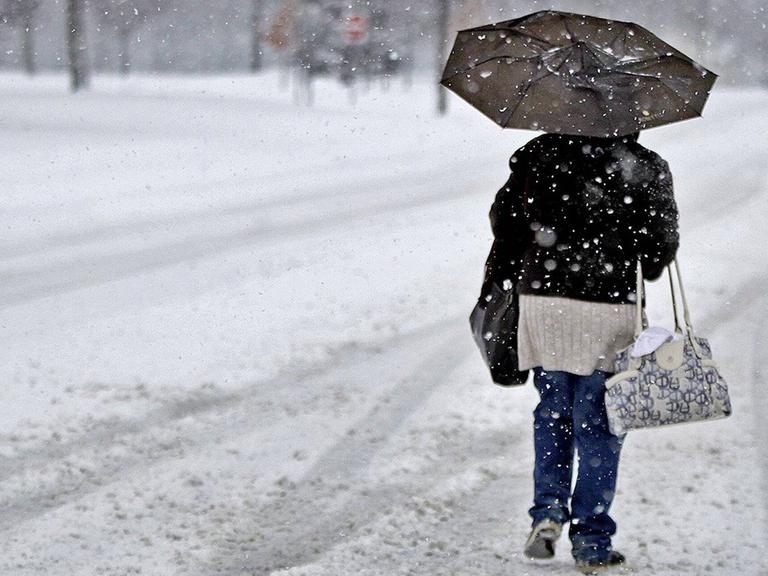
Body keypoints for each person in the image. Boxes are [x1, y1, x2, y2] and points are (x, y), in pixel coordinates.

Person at [484, 132, 679, 573]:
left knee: (553, 409)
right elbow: (656, 255)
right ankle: (591, 540)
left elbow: (505, 223)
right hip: (608, 306)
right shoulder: (643, 165)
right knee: (600, 421)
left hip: (545, 300)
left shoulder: (539, 153)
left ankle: (548, 511)